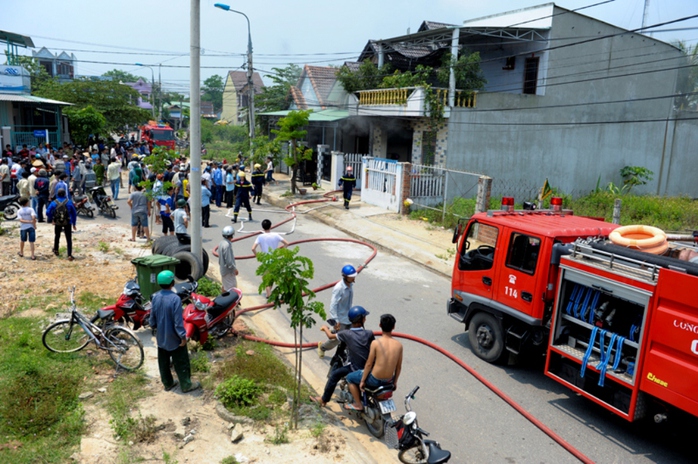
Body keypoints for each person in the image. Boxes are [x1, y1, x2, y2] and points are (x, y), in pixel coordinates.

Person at [311, 306, 375, 407]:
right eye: (364, 317)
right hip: (370, 367)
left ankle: (323, 400)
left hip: (356, 368)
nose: (365, 319)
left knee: (334, 375)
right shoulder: (369, 333)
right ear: (362, 320)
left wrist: (325, 328)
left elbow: (330, 337)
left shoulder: (346, 334)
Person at [149, 270, 201, 393]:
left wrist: (156, 328)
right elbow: (178, 323)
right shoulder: (175, 299)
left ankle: (168, 383)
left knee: (164, 363)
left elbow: (152, 320)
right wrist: (183, 337)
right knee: (181, 362)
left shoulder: (155, 297)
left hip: (161, 337)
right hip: (175, 338)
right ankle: (186, 385)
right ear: (172, 283)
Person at [345, 313, 403, 412]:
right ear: (393, 327)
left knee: (349, 378)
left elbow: (368, 364)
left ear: (380, 325)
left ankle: (358, 404)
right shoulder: (399, 345)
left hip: (374, 379)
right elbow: (398, 367)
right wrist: (395, 382)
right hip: (389, 380)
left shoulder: (376, 343)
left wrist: (362, 381)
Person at [318, 264, 358, 357]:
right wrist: (336, 321)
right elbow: (333, 305)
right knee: (337, 339)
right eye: (352, 277)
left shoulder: (350, 285)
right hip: (341, 319)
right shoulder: (339, 288)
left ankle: (344, 354)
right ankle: (322, 347)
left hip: (349, 317)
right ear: (345, 277)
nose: (354, 278)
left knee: (351, 336)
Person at [252, 218, 289, 297]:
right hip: (275, 259)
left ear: (262, 227)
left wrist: (258, 256)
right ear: (271, 226)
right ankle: (269, 292)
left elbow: (253, 248)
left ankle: (269, 293)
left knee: (265, 277)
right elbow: (286, 243)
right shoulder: (276, 235)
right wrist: (282, 253)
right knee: (272, 276)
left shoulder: (260, 236)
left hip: (265, 259)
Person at [46, 188, 78, 261]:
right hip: (68, 222)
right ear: (65, 194)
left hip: (57, 222)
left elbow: (48, 212)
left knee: (57, 236)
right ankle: (69, 254)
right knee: (68, 238)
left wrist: (52, 219)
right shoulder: (69, 202)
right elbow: (74, 213)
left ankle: (56, 250)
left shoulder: (54, 202)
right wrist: (74, 223)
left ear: (57, 194)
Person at [218, 226, 239, 292]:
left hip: (223, 269)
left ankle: (222, 300)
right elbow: (229, 261)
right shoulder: (227, 245)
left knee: (225, 286)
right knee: (232, 288)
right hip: (228, 271)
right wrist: (234, 269)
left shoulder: (221, 243)